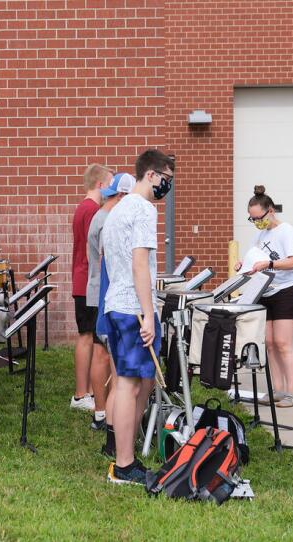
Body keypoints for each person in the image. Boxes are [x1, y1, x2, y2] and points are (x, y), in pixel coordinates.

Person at [102, 149, 174, 484]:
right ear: (151, 175)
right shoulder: (144, 209)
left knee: (129, 384)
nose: (167, 186)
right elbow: (139, 264)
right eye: (166, 179)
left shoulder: (116, 210)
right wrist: (149, 314)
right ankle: (125, 465)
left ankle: (124, 458)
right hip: (132, 307)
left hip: (115, 304)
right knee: (131, 386)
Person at [236, 185, 293, 408]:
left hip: (286, 292)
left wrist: (270, 263)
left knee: (284, 343)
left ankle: (291, 393)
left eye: (259, 217)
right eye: (252, 219)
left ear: (271, 211)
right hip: (265, 292)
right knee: (271, 344)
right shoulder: (260, 234)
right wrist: (243, 265)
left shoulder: (286, 231)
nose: (257, 222)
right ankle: (277, 389)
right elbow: (253, 258)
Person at [89, 173, 134, 453]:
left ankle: (113, 437)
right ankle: (115, 442)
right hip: (115, 306)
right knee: (121, 381)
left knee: (119, 380)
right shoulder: (113, 226)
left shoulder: (108, 223)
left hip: (109, 304)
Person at [70, 164, 110, 411]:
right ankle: (82, 394)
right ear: (101, 184)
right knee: (89, 338)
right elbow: (94, 251)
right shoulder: (93, 210)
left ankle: (82, 392)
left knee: (86, 337)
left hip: (82, 280)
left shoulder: (83, 208)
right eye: (111, 184)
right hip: (89, 282)